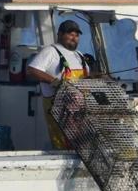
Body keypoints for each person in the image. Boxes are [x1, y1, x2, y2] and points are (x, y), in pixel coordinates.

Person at [25, 19, 90, 149]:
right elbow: (32, 70)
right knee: (62, 142)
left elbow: (86, 77)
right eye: (70, 34)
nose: (74, 38)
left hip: (79, 110)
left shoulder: (79, 55)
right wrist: (54, 82)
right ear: (59, 34)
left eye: (77, 35)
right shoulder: (50, 51)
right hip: (58, 109)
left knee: (80, 143)